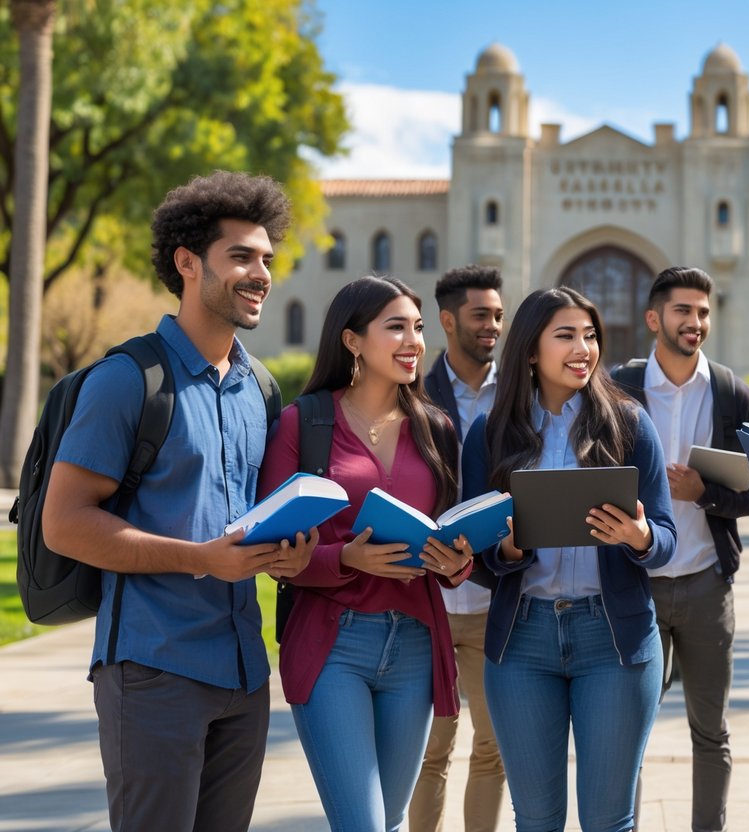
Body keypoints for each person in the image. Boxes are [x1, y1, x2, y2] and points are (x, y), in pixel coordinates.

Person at [41, 170, 314, 831]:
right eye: (241, 257)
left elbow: (249, 524)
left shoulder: (262, 390)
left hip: (245, 672)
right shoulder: (128, 380)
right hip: (153, 669)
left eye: (267, 259)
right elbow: (64, 523)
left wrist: (290, 555)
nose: (260, 274)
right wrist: (199, 558)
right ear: (188, 263)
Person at [259, 275, 475, 831]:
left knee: (393, 818)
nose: (414, 341)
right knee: (363, 824)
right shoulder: (302, 424)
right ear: (352, 340)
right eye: (396, 327)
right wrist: (343, 560)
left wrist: (458, 564)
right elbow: (270, 544)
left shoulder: (438, 430)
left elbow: (453, 531)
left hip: (415, 644)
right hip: (333, 646)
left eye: (419, 328)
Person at [461, 286, 677, 832]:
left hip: (614, 640)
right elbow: (475, 557)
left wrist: (639, 535)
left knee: (608, 820)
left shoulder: (630, 426)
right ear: (530, 350)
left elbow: (667, 539)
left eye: (590, 336)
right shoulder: (488, 436)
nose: (583, 348)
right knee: (536, 820)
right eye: (565, 336)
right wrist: (508, 549)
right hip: (523, 643)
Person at [610, 266, 749, 832]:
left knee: (711, 731)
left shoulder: (733, 395)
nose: (695, 322)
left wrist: (708, 495)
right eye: (683, 311)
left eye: (702, 312)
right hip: (634, 584)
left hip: (705, 583)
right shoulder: (616, 389)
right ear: (655, 319)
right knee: (628, 733)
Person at [413, 265, 507, 832]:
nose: (493, 326)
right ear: (448, 320)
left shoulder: (521, 395)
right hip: (431, 604)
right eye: (480, 316)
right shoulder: (415, 393)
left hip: (497, 601)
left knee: (493, 747)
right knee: (430, 749)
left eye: (498, 315)